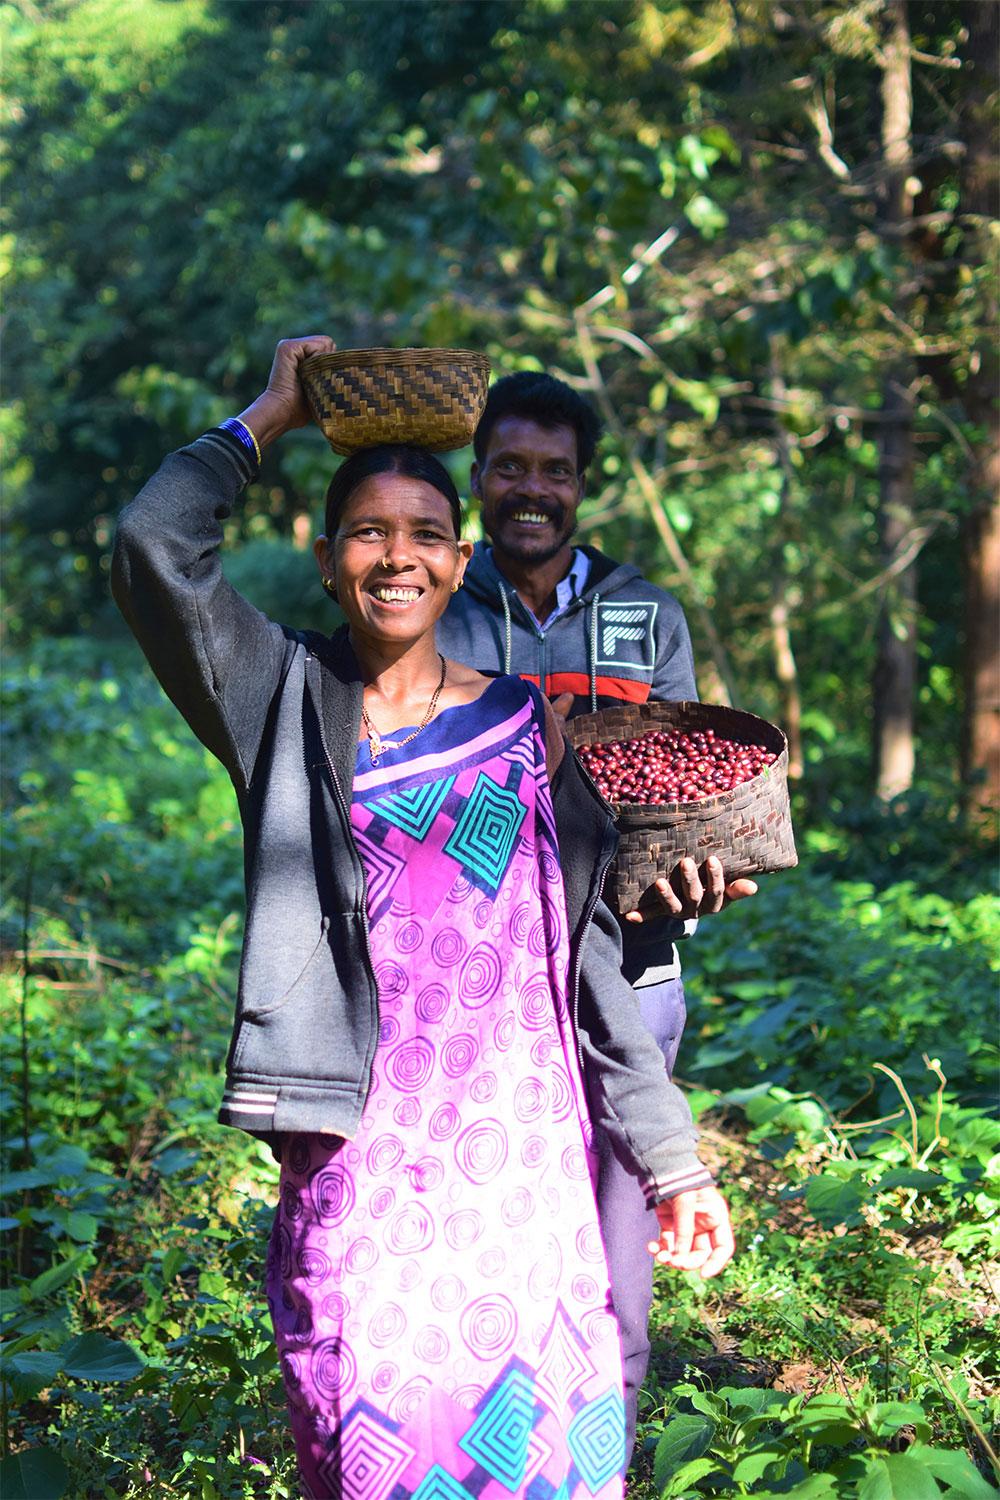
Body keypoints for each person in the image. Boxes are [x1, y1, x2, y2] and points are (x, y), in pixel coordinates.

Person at [111, 336, 734, 1499]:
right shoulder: (283, 695)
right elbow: (156, 546)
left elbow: (588, 961)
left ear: (459, 564)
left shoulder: (524, 725)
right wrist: (273, 412)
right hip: (362, 1164)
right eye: (367, 533)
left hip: (526, 1179)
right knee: (369, 1451)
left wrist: (669, 1160)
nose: (396, 558)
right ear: (325, 556)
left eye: (425, 537)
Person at [435, 370, 756, 1453]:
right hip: (471, 987)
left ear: (582, 487)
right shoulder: (425, 592)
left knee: (622, 1234)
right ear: (478, 478)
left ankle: (596, 1450)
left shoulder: (641, 614)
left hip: (632, 976)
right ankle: (480, 1448)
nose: (533, 488)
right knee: (480, 1238)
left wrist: (693, 873)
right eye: (512, 466)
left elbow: (681, 803)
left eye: (555, 472)